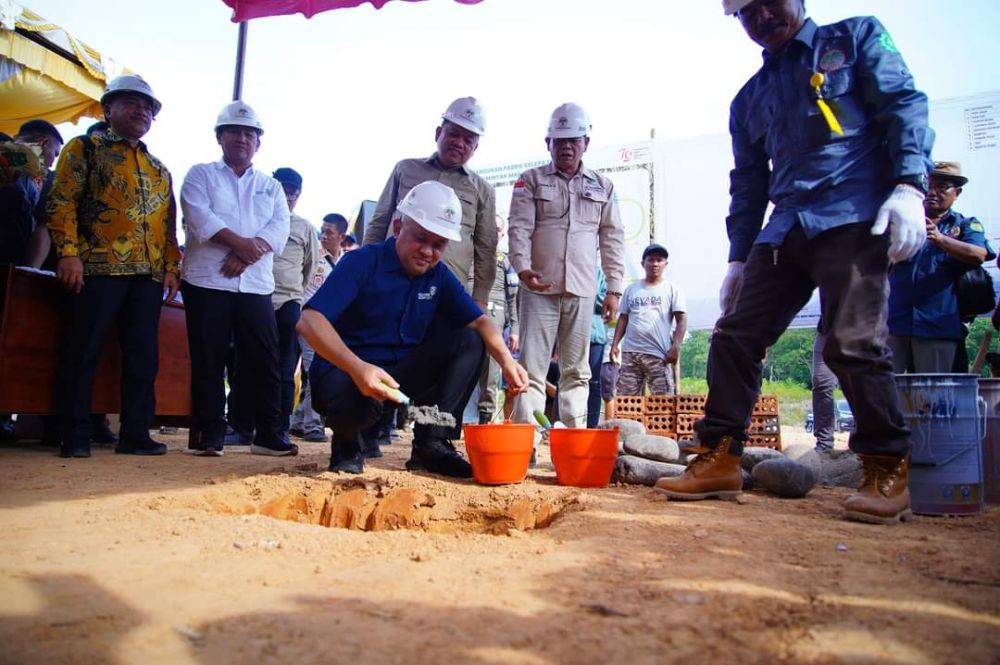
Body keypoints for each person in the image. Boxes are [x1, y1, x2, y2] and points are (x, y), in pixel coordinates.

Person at [655, 0, 934, 526]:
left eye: (769, 2)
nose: (761, 15)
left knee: (853, 342)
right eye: (746, 11)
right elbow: (749, 182)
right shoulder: (749, 98)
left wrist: (909, 186)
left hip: (854, 216)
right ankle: (720, 458)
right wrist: (738, 258)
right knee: (735, 336)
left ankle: (887, 467)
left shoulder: (854, 40)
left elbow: (904, 105)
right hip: (786, 229)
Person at [298, 180, 528, 476]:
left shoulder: (438, 276)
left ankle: (432, 444)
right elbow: (309, 320)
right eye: (421, 238)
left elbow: (481, 320)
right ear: (397, 228)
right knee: (350, 397)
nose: (428, 252)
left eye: (438, 245)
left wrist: (508, 362)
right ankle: (347, 445)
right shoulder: (362, 262)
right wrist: (357, 368)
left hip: (399, 377)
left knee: (470, 338)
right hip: (349, 374)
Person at [46, 75, 180, 458]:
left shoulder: (158, 169)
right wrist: (68, 252)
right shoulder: (85, 148)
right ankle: (73, 434)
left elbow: (168, 225)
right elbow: (62, 201)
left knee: (143, 357)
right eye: (131, 103)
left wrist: (171, 266)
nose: (141, 112)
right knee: (82, 350)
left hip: (148, 275)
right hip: (96, 267)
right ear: (108, 110)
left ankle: (135, 433)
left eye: (147, 108)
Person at [179, 101, 296, 457]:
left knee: (265, 358)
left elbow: (279, 227)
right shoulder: (200, 175)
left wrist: (247, 253)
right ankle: (211, 434)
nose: (242, 138)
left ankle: (268, 433)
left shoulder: (271, 186)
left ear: (258, 142)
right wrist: (241, 245)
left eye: (250, 133)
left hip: (256, 286)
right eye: (234, 131)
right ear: (220, 137)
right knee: (208, 359)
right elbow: (198, 216)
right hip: (207, 282)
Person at [508, 102, 626, 431]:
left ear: (586, 143)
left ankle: (571, 444)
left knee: (577, 372)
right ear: (548, 144)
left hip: (582, 290)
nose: (566, 147)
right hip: (538, 288)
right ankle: (524, 444)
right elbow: (519, 228)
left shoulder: (604, 186)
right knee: (531, 370)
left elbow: (612, 237)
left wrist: (614, 289)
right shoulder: (529, 180)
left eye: (574, 140)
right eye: (559, 141)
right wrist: (522, 267)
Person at [363, 97, 497, 307]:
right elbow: (380, 221)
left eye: (469, 139)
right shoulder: (405, 169)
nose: (459, 143)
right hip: (391, 280)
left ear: (475, 147)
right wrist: (365, 269)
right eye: (453, 133)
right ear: (438, 133)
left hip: (445, 292)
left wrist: (480, 300)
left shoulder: (483, 191)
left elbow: (486, 250)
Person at [229, 167, 318, 442]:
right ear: (272, 187)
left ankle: (278, 430)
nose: (288, 194)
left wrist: (295, 294)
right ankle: (240, 427)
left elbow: (310, 266)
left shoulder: (304, 227)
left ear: (298, 195)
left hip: (288, 301)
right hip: (254, 298)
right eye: (283, 187)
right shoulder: (254, 220)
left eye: (293, 190)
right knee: (243, 363)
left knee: (283, 367)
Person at [888, 162, 994, 373]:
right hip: (895, 323)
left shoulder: (965, 224)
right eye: (927, 186)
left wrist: (939, 238)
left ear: (957, 193)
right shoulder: (901, 222)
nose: (932, 193)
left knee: (934, 397)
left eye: (942, 187)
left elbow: (978, 254)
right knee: (889, 393)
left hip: (937, 325)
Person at [289, 213, 344, 442]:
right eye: (323, 230)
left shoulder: (346, 261)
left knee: (315, 370)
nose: (324, 236)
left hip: (330, 324)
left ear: (341, 236)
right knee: (313, 371)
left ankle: (298, 420)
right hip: (308, 319)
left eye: (330, 232)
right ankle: (313, 425)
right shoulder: (314, 254)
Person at [610, 244, 687, 397]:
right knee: (627, 402)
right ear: (643, 263)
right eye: (651, 260)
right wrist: (615, 344)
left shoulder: (673, 289)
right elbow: (623, 318)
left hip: (658, 355)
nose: (655, 264)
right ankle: (630, 422)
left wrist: (676, 347)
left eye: (659, 260)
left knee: (662, 403)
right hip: (631, 354)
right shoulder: (631, 289)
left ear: (666, 264)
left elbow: (681, 321)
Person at [476, 217, 520, 424]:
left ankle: (485, 419)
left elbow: (513, 298)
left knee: (491, 374)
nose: (494, 232)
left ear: (503, 234)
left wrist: (515, 329)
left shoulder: (505, 260)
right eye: (490, 228)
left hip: (494, 317)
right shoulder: (469, 252)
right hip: (466, 315)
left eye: (498, 229)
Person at [586, 267, 608, 428]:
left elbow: (607, 301)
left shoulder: (600, 272)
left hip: (596, 336)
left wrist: (585, 293)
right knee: (566, 379)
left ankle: (591, 427)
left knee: (594, 383)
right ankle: (565, 426)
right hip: (569, 335)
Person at [810, 327, 837, 452]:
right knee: (821, 382)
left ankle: (864, 446)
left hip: (863, 326)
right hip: (827, 329)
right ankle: (824, 442)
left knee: (860, 383)